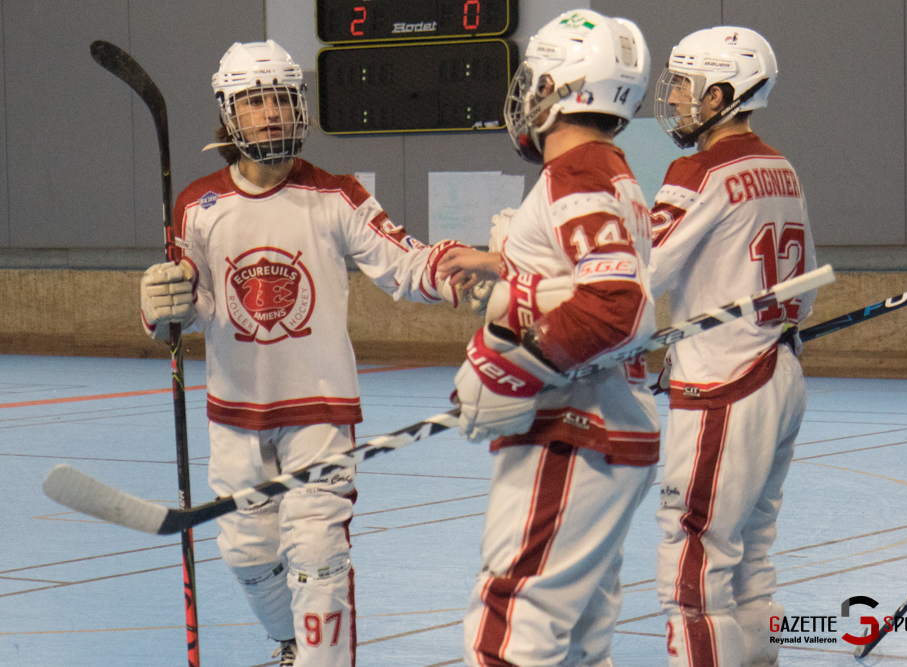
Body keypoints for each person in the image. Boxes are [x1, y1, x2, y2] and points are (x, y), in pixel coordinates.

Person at [138, 40, 463, 667]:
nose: (272, 115)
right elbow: (186, 314)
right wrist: (160, 304)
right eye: (256, 102)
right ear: (230, 113)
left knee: (319, 562)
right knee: (248, 558)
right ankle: (292, 644)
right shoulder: (198, 206)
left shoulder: (335, 195)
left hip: (319, 413)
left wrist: (470, 272)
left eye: (282, 100)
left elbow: (405, 265)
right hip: (234, 415)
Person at [445, 10, 659, 666]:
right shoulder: (608, 170)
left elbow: (613, 305)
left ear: (560, 87)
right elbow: (589, 284)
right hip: (605, 432)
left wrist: (512, 369)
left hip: (574, 433)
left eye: (535, 78)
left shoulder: (579, 173)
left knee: (512, 628)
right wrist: (508, 265)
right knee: (578, 644)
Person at [647, 27, 817, 667]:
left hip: (723, 383)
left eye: (687, 86)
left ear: (723, 93)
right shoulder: (780, 166)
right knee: (752, 552)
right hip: (782, 374)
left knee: (692, 560)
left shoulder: (698, 170)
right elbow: (804, 292)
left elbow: (641, 277)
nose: (678, 99)